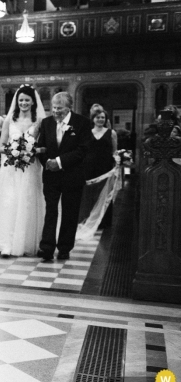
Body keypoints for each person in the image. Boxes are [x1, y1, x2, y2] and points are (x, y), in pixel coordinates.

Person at [0, 85, 47, 257]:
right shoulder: (9, 120)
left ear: (33, 101)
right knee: (9, 202)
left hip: (31, 167)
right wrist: (14, 151)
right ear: (16, 102)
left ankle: (26, 241)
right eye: (21, 100)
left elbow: (43, 145)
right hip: (11, 168)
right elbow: (1, 146)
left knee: (28, 201)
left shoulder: (39, 121)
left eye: (27, 100)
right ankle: (6, 243)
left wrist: (32, 151)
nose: (24, 103)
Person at [37, 91, 92, 261]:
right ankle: (46, 248)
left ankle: (64, 248)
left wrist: (59, 162)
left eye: (59, 109)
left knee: (70, 213)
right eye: (53, 108)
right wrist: (47, 162)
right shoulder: (46, 123)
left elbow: (83, 150)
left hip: (72, 175)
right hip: (51, 176)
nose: (55, 112)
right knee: (51, 211)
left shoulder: (82, 123)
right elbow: (41, 147)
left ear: (69, 108)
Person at [77, 104, 119, 234]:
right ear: (93, 119)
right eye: (98, 117)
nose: (100, 119)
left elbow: (114, 150)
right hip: (89, 166)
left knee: (104, 193)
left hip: (105, 166)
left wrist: (116, 162)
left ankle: (104, 221)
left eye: (102, 117)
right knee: (89, 193)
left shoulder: (111, 133)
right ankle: (87, 218)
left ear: (106, 119)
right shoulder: (87, 133)